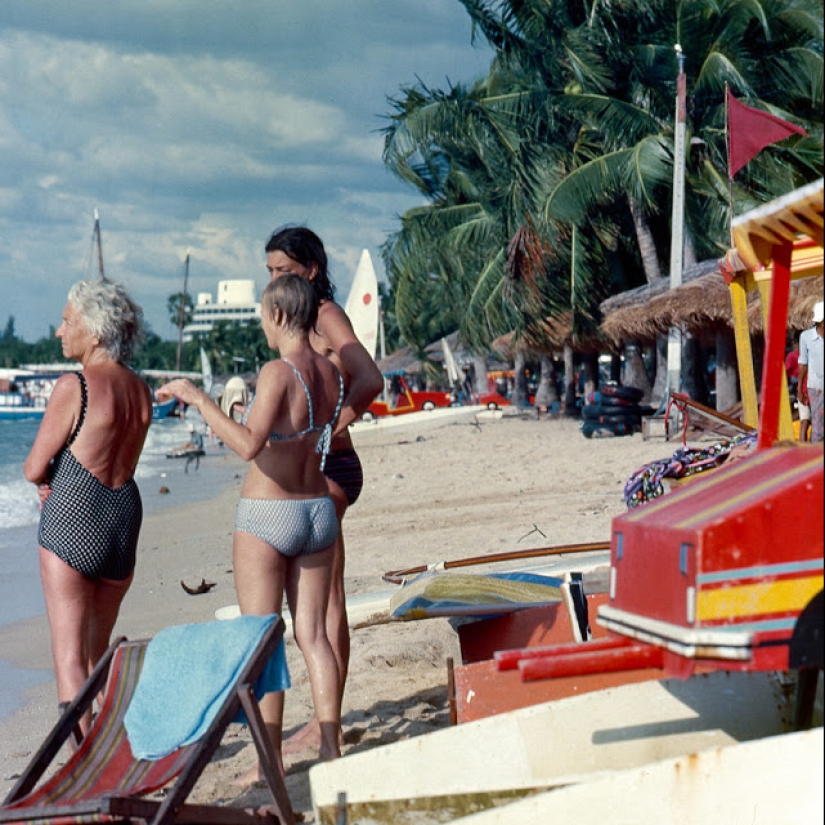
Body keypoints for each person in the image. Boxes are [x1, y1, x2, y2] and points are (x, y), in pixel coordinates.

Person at [158, 274, 346, 774]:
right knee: (314, 635)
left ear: (280, 315)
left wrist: (200, 400)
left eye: (263, 315)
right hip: (316, 510)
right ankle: (332, 747)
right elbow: (296, 430)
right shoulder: (331, 373)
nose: (261, 325)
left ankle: (271, 761)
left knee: (262, 641)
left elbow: (248, 446)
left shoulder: (277, 371)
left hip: (269, 512)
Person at [264, 226, 383, 754]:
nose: (274, 280)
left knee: (326, 601)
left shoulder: (325, 315)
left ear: (311, 271)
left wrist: (330, 427)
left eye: (284, 271)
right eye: (269, 271)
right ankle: (322, 716)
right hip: (319, 470)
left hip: (333, 466)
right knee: (320, 601)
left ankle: (321, 722)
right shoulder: (292, 317)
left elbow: (370, 378)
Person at [23, 279, 152, 740]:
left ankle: (84, 764)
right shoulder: (141, 390)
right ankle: (117, 745)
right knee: (99, 656)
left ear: (95, 331)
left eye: (67, 321)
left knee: (71, 657)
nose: (60, 331)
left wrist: (45, 479)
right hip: (123, 516)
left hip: (76, 513)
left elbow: (34, 465)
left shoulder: (74, 385)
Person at [798, 301, 824, 443]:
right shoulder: (806, 337)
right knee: (817, 423)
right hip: (816, 387)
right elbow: (803, 364)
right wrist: (800, 389)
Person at [786, 332, 810, 442]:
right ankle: (805, 444)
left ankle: (804, 445)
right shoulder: (793, 356)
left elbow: (785, 374)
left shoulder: (794, 356)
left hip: (808, 391)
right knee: (806, 420)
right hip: (805, 392)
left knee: (805, 420)